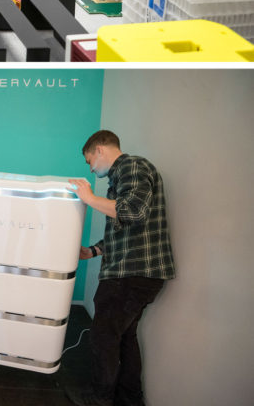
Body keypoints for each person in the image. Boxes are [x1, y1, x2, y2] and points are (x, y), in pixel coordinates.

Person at [66, 130, 175, 406]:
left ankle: (99, 398)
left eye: (90, 160)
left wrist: (88, 199)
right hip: (139, 272)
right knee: (124, 338)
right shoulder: (122, 177)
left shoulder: (133, 166)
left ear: (100, 149)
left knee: (103, 337)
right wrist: (92, 251)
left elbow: (133, 212)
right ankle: (129, 398)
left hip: (130, 274)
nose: (90, 168)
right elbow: (123, 228)